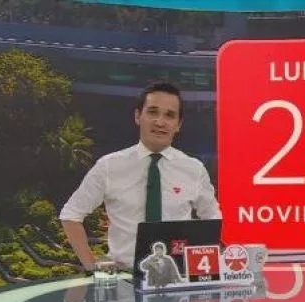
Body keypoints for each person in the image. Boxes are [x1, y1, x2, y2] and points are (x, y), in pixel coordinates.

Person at [59, 81, 221, 271]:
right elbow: (71, 215)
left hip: (177, 277)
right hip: (124, 276)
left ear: (178, 125)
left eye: (169, 115)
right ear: (138, 116)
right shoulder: (109, 166)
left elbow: (212, 217)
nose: (160, 122)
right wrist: (92, 267)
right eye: (152, 112)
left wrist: (199, 267)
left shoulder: (194, 169)